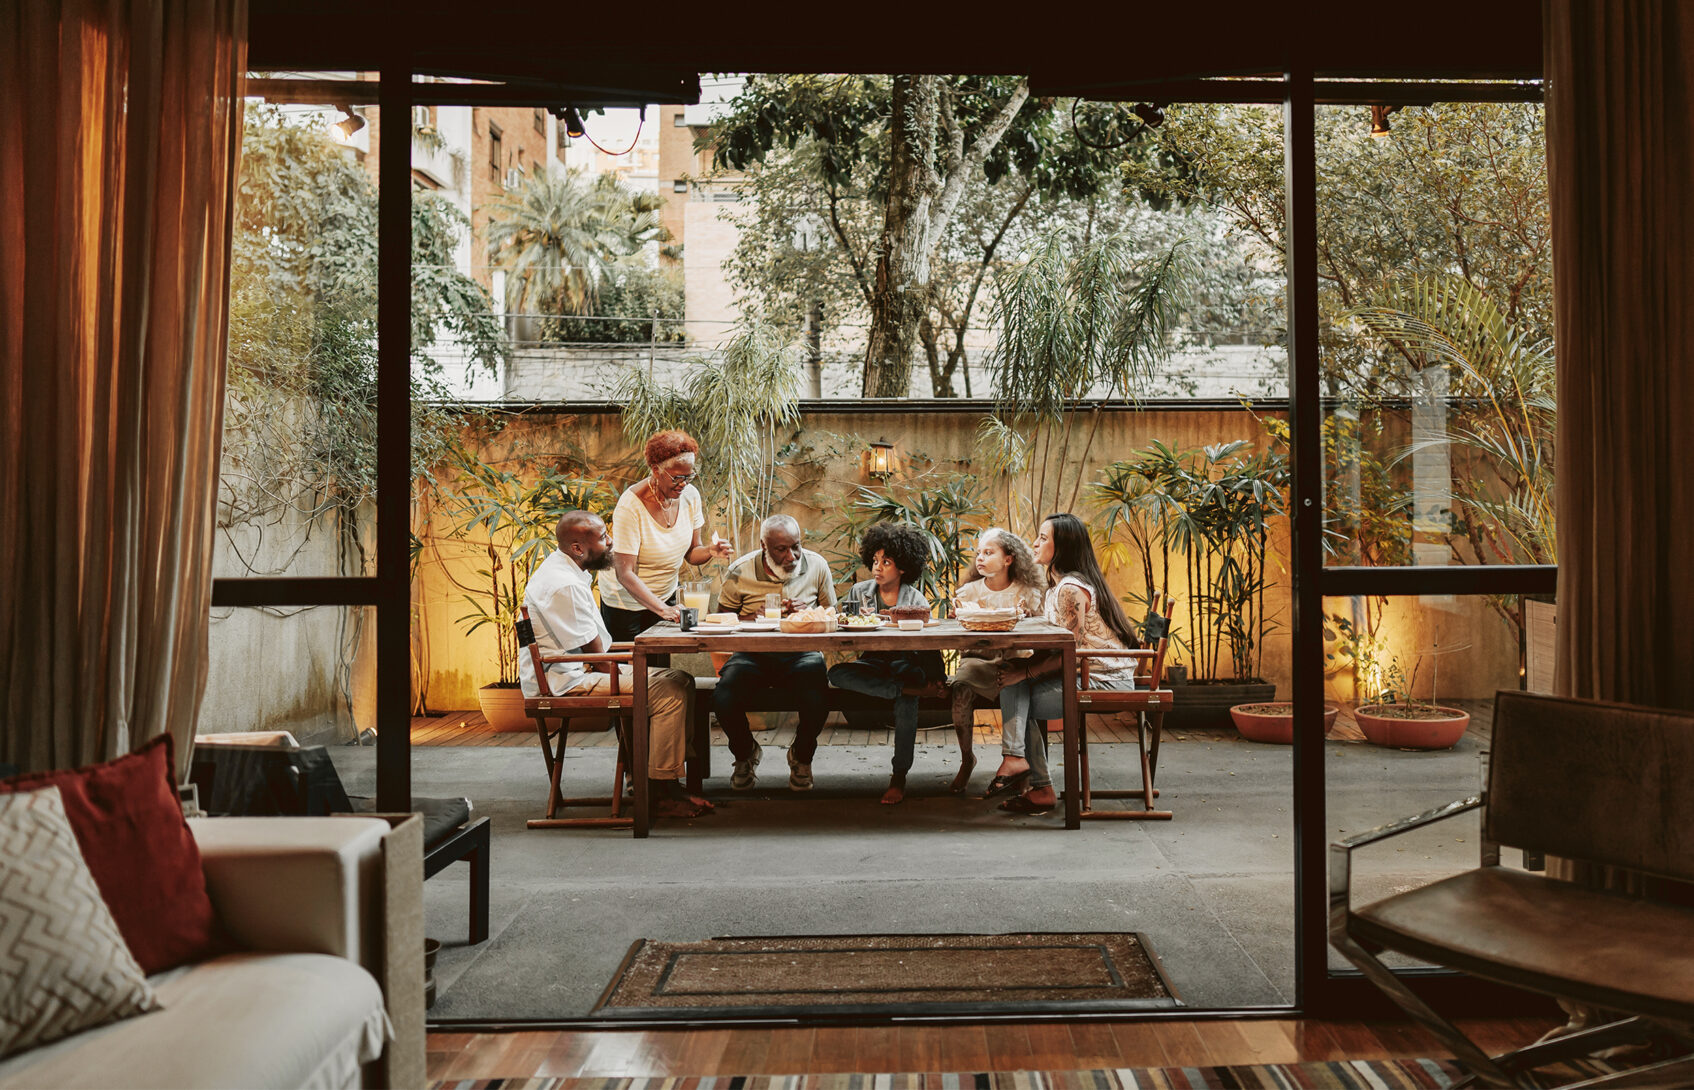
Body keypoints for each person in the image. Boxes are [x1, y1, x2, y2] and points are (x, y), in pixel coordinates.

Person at [519, 510, 713, 819]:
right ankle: (660, 789)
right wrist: (637, 669)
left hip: (571, 669)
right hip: (565, 682)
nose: (611, 542)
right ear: (578, 547)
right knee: (669, 690)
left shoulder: (565, 571)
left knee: (680, 680)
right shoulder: (565, 584)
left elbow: (596, 652)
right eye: (603, 537)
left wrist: (637, 668)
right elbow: (598, 661)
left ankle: (663, 782)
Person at [993, 512, 1140, 816]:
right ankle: (1023, 767)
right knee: (1012, 684)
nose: (1034, 543)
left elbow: (1068, 651)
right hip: (1091, 673)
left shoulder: (1069, 589)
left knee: (1016, 694)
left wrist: (1026, 670)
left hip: (1103, 680)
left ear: (1063, 547)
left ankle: (1033, 777)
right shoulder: (1060, 586)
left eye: (1044, 538)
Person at [712, 515, 838, 791]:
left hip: (802, 653)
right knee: (723, 696)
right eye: (781, 549)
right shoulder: (740, 570)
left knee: (818, 695)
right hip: (752, 655)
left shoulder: (817, 565)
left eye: (796, 546)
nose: (791, 556)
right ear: (764, 546)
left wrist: (808, 615)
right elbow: (722, 620)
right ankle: (745, 754)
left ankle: (802, 756)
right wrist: (750, 619)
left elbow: (834, 617)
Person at [826, 522, 947, 804]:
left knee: (907, 701)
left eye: (887, 562)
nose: (877, 567)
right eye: (875, 560)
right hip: (874, 666)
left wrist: (937, 677)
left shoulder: (914, 599)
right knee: (836, 673)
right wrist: (856, 620)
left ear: (903, 567)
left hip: (906, 664)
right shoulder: (860, 592)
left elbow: (929, 643)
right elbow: (837, 620)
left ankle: (898, 777)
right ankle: (903, 690)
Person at [599, 429, 734, 650]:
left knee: (660, 668)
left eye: (689, 476)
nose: (683, 484)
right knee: (632, 673)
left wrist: (710, 551)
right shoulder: (631, 506)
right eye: (677, 477)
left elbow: (692, 553)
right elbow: (625, 573)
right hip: (626, 604)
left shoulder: (690, 497)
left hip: (664, 595)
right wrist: (662, 609)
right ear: (656, 470)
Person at [947, 527, 1047, 795]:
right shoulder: (968, 593)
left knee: (1020, 688)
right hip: (977, 661)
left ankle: (1021, 764)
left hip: (1014, 662)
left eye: (989, 552)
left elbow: (1040, 633)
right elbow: (957, 635)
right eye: (978, 553)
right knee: (960, 688)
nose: (980, 558)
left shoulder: (1027, 593)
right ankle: (967, 758)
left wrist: (1029, 618)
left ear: (1008, 559)